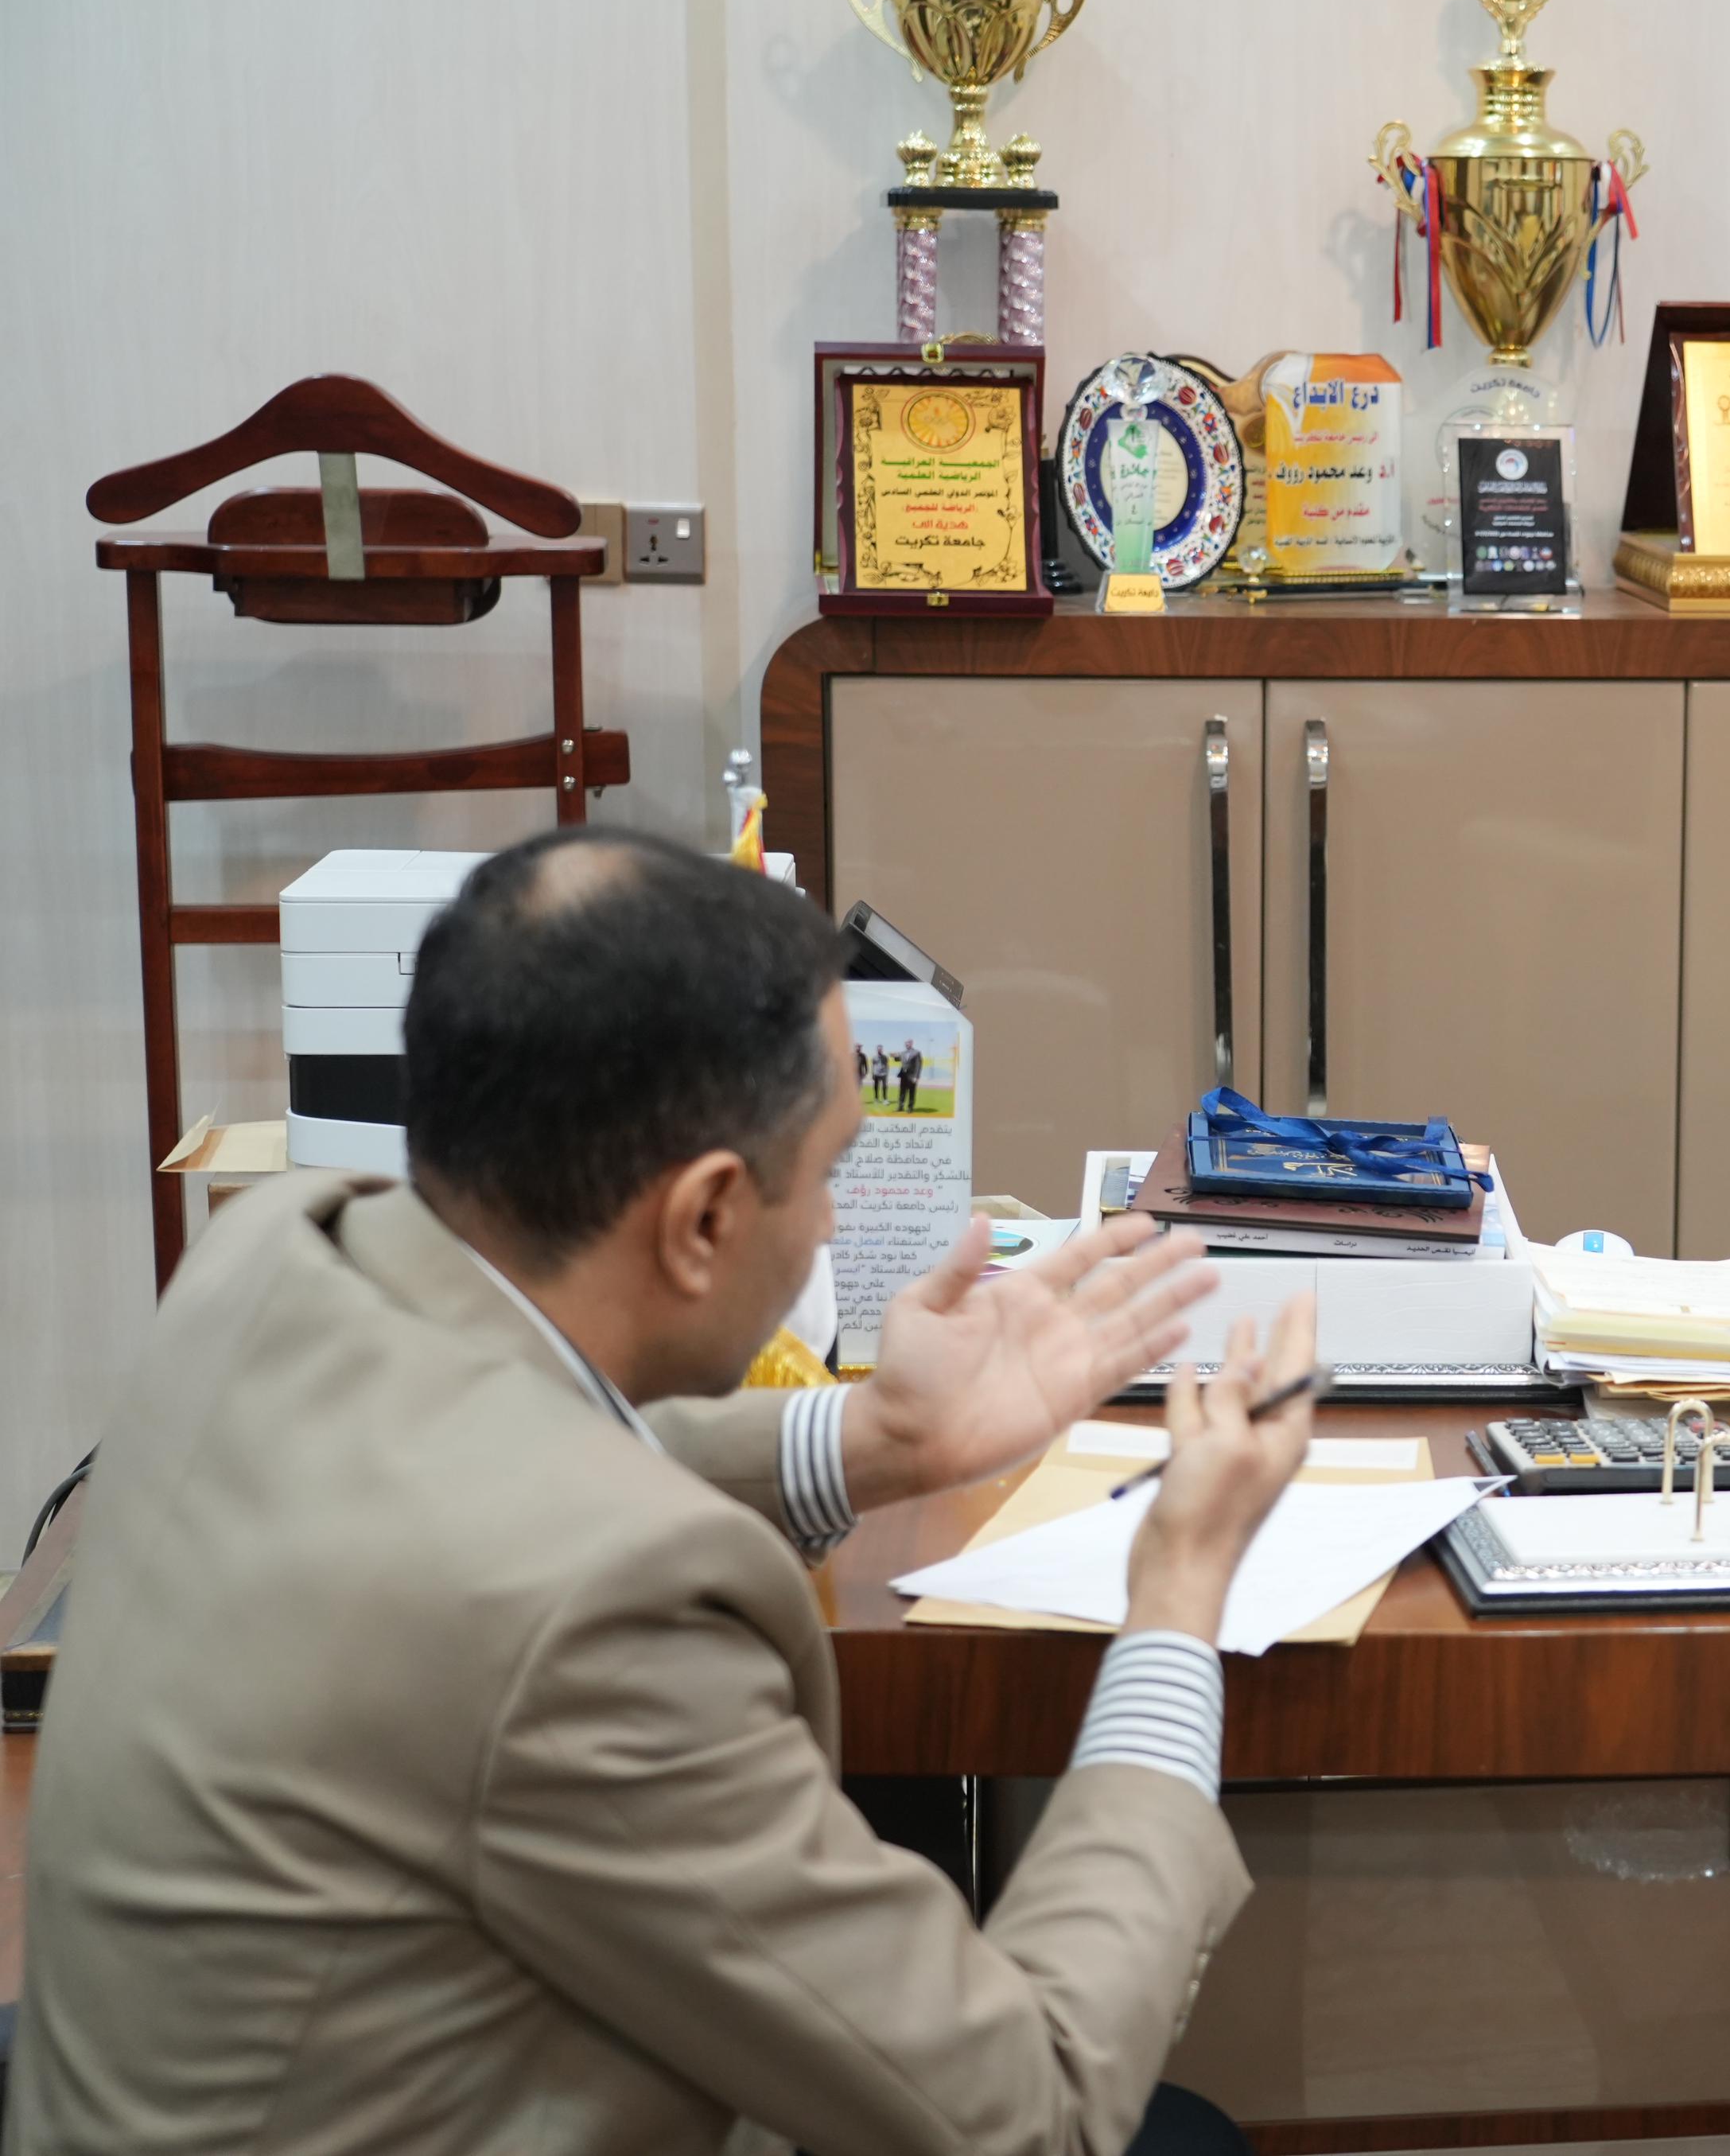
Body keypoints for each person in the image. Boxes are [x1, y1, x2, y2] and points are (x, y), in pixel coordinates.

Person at [17, 828, 1315, 2156]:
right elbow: (1033, 2113)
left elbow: (498, 1468)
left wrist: (874, 1436)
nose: (832, 1223)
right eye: (826, 1175)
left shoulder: (271, 1256)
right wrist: (1179, 1595)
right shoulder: (598, 1622)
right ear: (702, 1219)